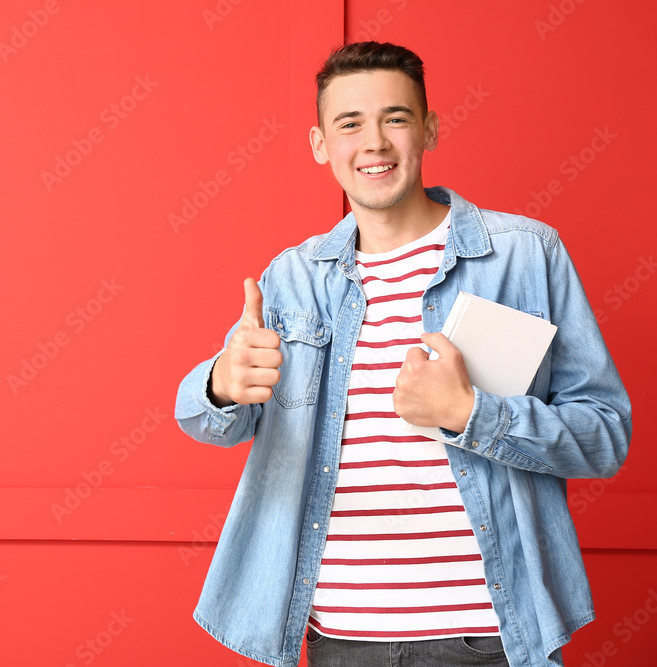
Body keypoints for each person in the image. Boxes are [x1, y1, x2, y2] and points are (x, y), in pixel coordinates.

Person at [174, 41, 632, 667]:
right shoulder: (293, 278)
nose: (375, 143)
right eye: (350, 123)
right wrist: (222, 385)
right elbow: (204, 420)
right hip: (337, 636)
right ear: (319, 144)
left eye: (395, 118)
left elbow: (604, 436)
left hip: (488, 635)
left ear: (429, 129)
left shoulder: (525, 256)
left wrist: (471, 412)